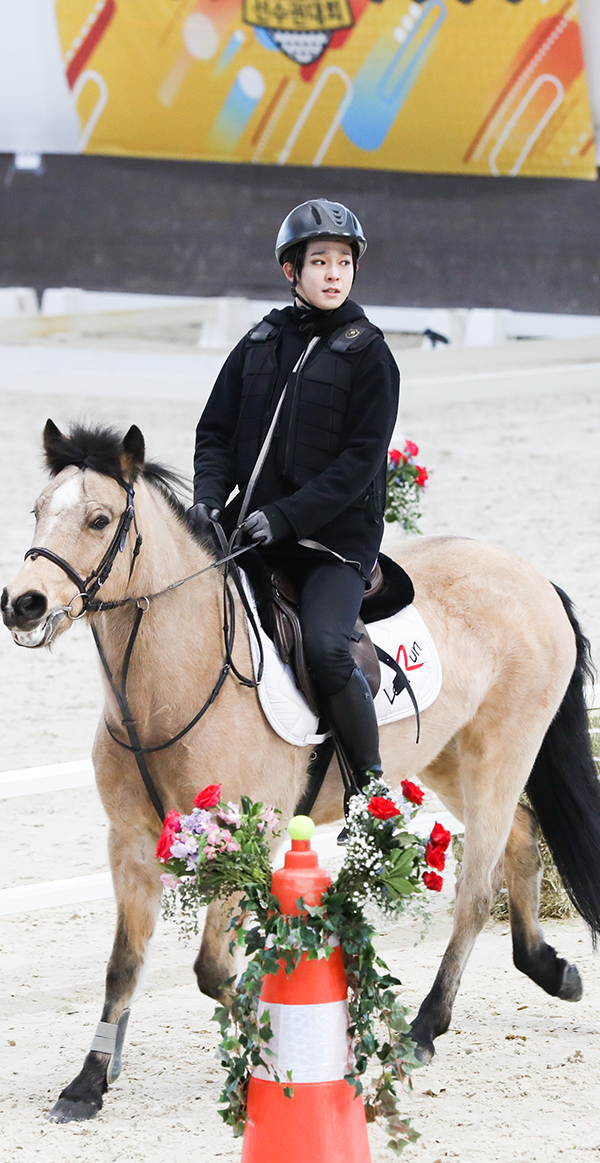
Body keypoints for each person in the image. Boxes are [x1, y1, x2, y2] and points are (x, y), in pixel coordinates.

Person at [189, 198, 400, 804]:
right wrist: (208, 500)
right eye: (319, 262)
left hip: (331, 543)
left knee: (327, 650)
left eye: (343, 262)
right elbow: (215, 433)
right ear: (292, 271)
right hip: (249, 531)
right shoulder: (259, 342)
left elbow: (359, 465)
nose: (334, 273)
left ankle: (369, 793)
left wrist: (283, 517)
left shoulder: (370, 355)